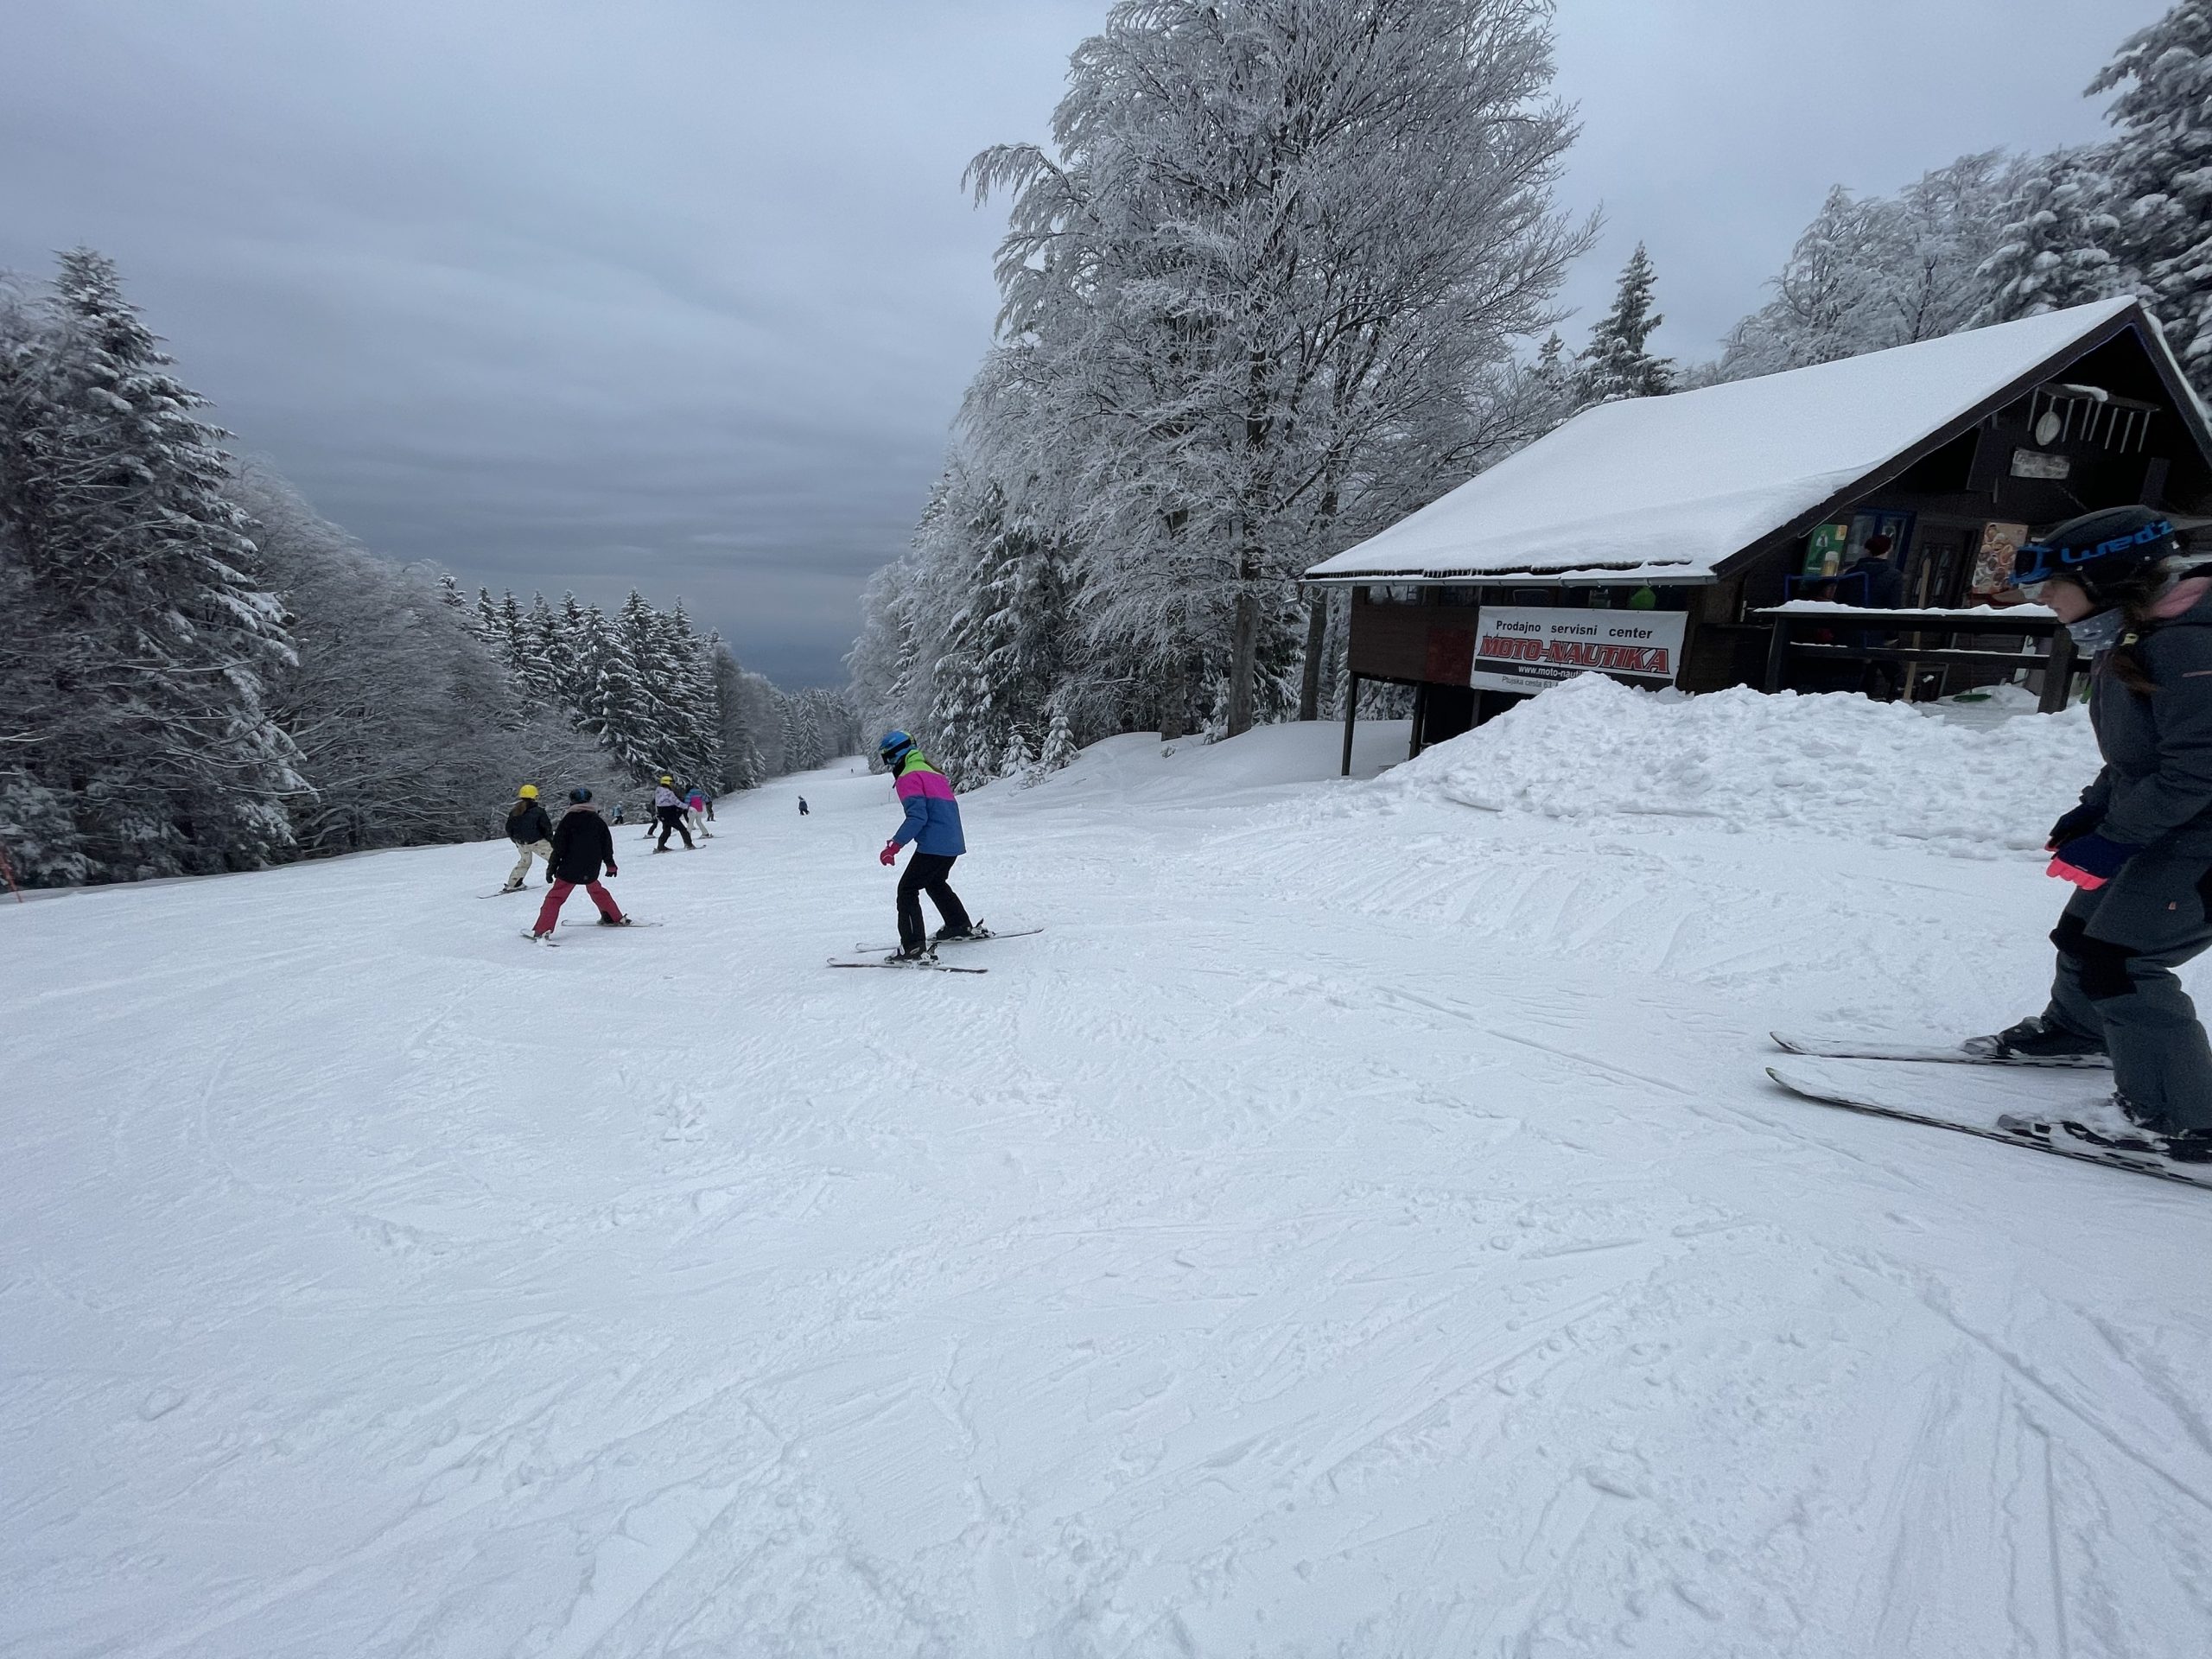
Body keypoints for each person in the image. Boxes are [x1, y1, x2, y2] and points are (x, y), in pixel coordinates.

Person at [1969, 506, 2212, 1160]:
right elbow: (2142, 756)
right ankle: (2078, 1032)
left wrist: (2118, 835)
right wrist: (2094, 811)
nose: (2043, 599)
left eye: (2054, 584)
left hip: (2201, 835)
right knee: (2084, 931)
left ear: (2108, 578)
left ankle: (2181, 1125)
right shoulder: (2138, 638)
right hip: (2173, 825)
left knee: (2124, 961)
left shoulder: (2191, 644)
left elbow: (2199, 770)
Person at [876, 729, 972, 960]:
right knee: (935, 882)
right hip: (952, 843)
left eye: (888, 758)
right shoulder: (933, 771)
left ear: (897, 754)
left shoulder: (909, 776)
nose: (889, 764)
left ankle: (913, 947)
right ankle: (958, 925)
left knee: (907, 890)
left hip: (934, 845)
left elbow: (918, 817)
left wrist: (894, 846)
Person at [530, 787, 628, 940]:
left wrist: (551, 868)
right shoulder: (598, 821)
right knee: (597, 890)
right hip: (591, 867)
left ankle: (543, 929)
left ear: (572, 802)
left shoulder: (567, 821)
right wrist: (610, 865)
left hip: (570, 868)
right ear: (589, 801)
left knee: (555, 898)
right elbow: (606, 845)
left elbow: (558, 848)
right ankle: (614, 917)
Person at [1837, 532, 1906, 699]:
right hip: (1875, 632)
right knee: (1883, 660)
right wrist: (1892, 633)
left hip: (1846, 631)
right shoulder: (1893, 576)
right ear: (1889, 550)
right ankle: (1893, 691)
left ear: (1866, 550)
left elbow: (1838, 601)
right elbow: (1893, 608)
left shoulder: (1850, 573)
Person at [501, 785, 555, 892]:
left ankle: (514, 884)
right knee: (554, 858)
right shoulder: (539, 811)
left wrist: (516, 840)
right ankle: (567, 878)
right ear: (535, 796)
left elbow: (509, 828)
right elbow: (546, 828)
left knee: (524, 862)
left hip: (521, 843)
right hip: (537, 842)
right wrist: (551, 841)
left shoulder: (515, 811)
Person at [652, 773, 694, 852]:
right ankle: (689, 844)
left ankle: (661, 847)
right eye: (671, 783)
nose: (673, 785)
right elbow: (677, 802)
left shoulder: (658, 791)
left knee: (666, 831)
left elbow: (656, 803)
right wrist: (687, 806)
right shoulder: (668, 792)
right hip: (670, 814)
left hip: (662, 814)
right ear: (667, 782)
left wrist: (657, 813)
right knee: (683, 829)